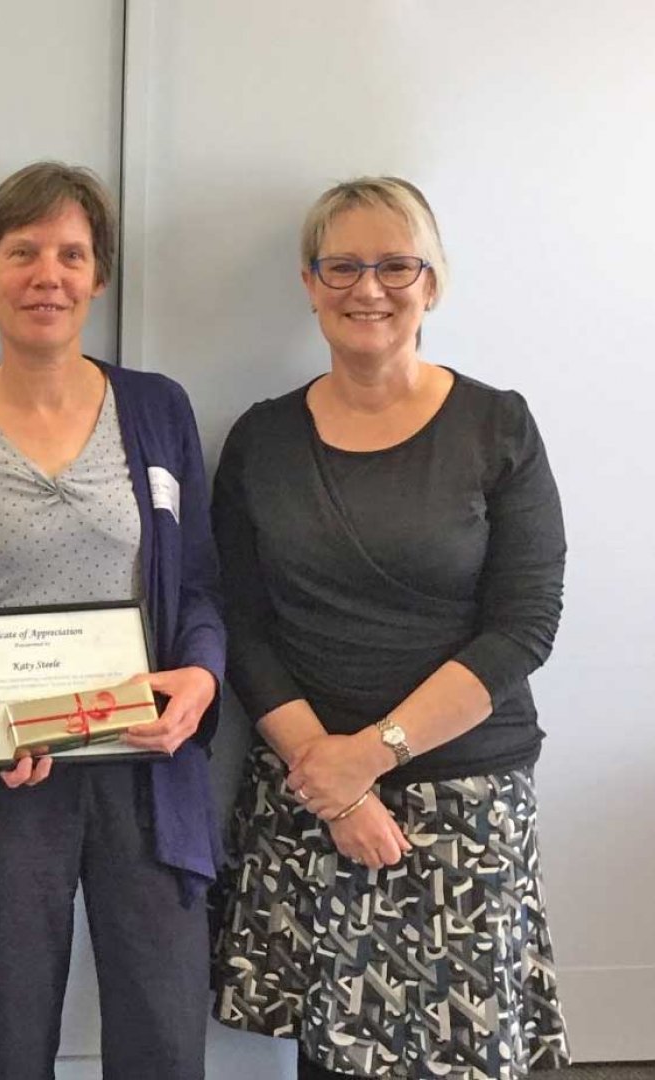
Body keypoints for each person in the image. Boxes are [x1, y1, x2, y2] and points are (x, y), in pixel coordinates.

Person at [210, 176, 569, 1078]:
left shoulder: (499, 426)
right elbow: (243, 626)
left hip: (464, 793)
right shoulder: (261, 441)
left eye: (395, 265)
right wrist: (332, 784)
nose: (367, 289)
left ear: (432, 281)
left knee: (468, 1053)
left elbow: (523, 626)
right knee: (333, 1053)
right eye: (342, 267)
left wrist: (367, 759)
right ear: (309, 282)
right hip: (309, 787)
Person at [0, 162, 225, 1079]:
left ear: (99, 277)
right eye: (23, 251)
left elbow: (198, 583)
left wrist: (199, 677)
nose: (49, 275)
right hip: (9, 778)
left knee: (162, 1032)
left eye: (72, 255)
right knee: (13, 1033)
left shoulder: (157, 409)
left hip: (145, 766)